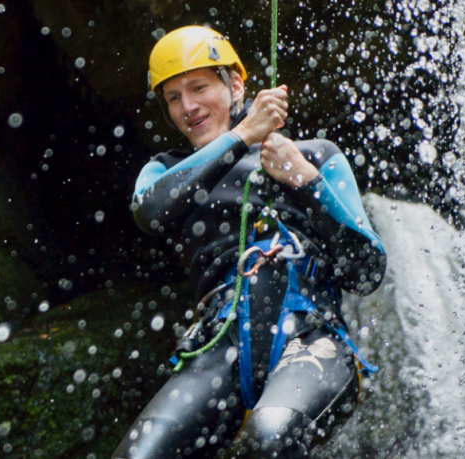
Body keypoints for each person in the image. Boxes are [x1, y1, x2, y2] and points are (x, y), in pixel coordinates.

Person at [112, 26, 386, 458]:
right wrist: (241, 136)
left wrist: (307, 181)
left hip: (311, 339)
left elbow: (367, 269)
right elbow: (152, 213)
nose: (188, 106)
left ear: (236, 85)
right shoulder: (164, 171)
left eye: (199, 87)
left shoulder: (313, 155)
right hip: (217, 347)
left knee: (270, 436)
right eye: (173, 98)